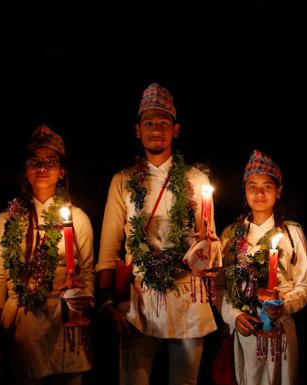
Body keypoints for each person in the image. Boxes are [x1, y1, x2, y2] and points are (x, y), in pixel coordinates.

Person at [95, 83, 221, 385]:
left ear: (175, 130)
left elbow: (211, 242)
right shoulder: (123, 181)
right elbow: (109, 248)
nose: (156, 129)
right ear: (137, 130)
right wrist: (107, 303)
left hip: (186, 294)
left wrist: (206, 248)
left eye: (163, 123)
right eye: (149, 122)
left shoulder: (195, 179)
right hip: (140, 296)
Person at [0, 125, 95, 385]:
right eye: (35, 162)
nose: (42, 168)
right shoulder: (7, 220)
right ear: (26, 170)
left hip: (67, 323)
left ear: (62, 171)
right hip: (24, 325)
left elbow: (89, 271)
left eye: (50, 162)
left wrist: (83, 296)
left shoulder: (77, 218)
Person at [220, 150, 307, 385]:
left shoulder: (291, 233)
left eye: (267, 186)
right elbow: (222, 287)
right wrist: (234, 316)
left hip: (281, 331)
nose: (259, 193)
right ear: (244, 191)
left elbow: (304, 286)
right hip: (245, 331)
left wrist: (282, 306)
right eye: (252, 186)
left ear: (278, 191)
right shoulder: (231, 235)